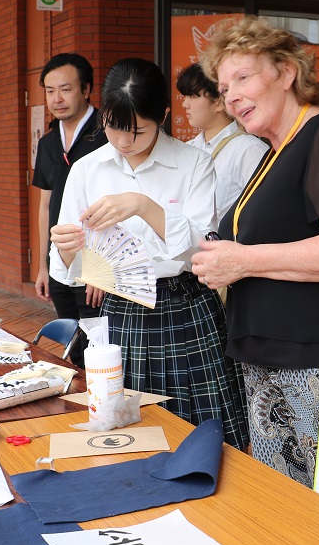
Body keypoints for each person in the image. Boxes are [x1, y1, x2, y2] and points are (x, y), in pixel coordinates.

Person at [190, 16, 319, 487]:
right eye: (224, 89)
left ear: (286, 73)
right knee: (291, 516)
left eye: (242, 78)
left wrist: (242, 260)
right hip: (278, 365)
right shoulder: (276, 148)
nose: (232, 96)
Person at [49, 58, 249, 449]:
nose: (123, 141)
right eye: (113, 127)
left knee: (207, 432)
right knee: (130, 433)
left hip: (186, 305)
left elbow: (200, 246)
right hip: (122, 309)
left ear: (164, 116)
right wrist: (68, 250)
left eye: (137, 130)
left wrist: (143, 205)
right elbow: (67, 269)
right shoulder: (88, 170)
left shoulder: (193, 162)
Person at [31, 53, 107, 365]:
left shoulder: (107, 134)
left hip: (96, 267)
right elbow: (44, 205)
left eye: (65, 89)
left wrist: (102, 271)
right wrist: (42, 266)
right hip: (60, 263)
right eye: (50, 91)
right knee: (74, 348)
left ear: (86, 89)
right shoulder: (48, 143)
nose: (57, 99)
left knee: (101, 348)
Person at [176, 63, 268, 221]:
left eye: (192, 96)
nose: (185, 104)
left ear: (219, 102)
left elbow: (266, 211)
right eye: (185, 97)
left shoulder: (248, 150)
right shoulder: (187, 149)